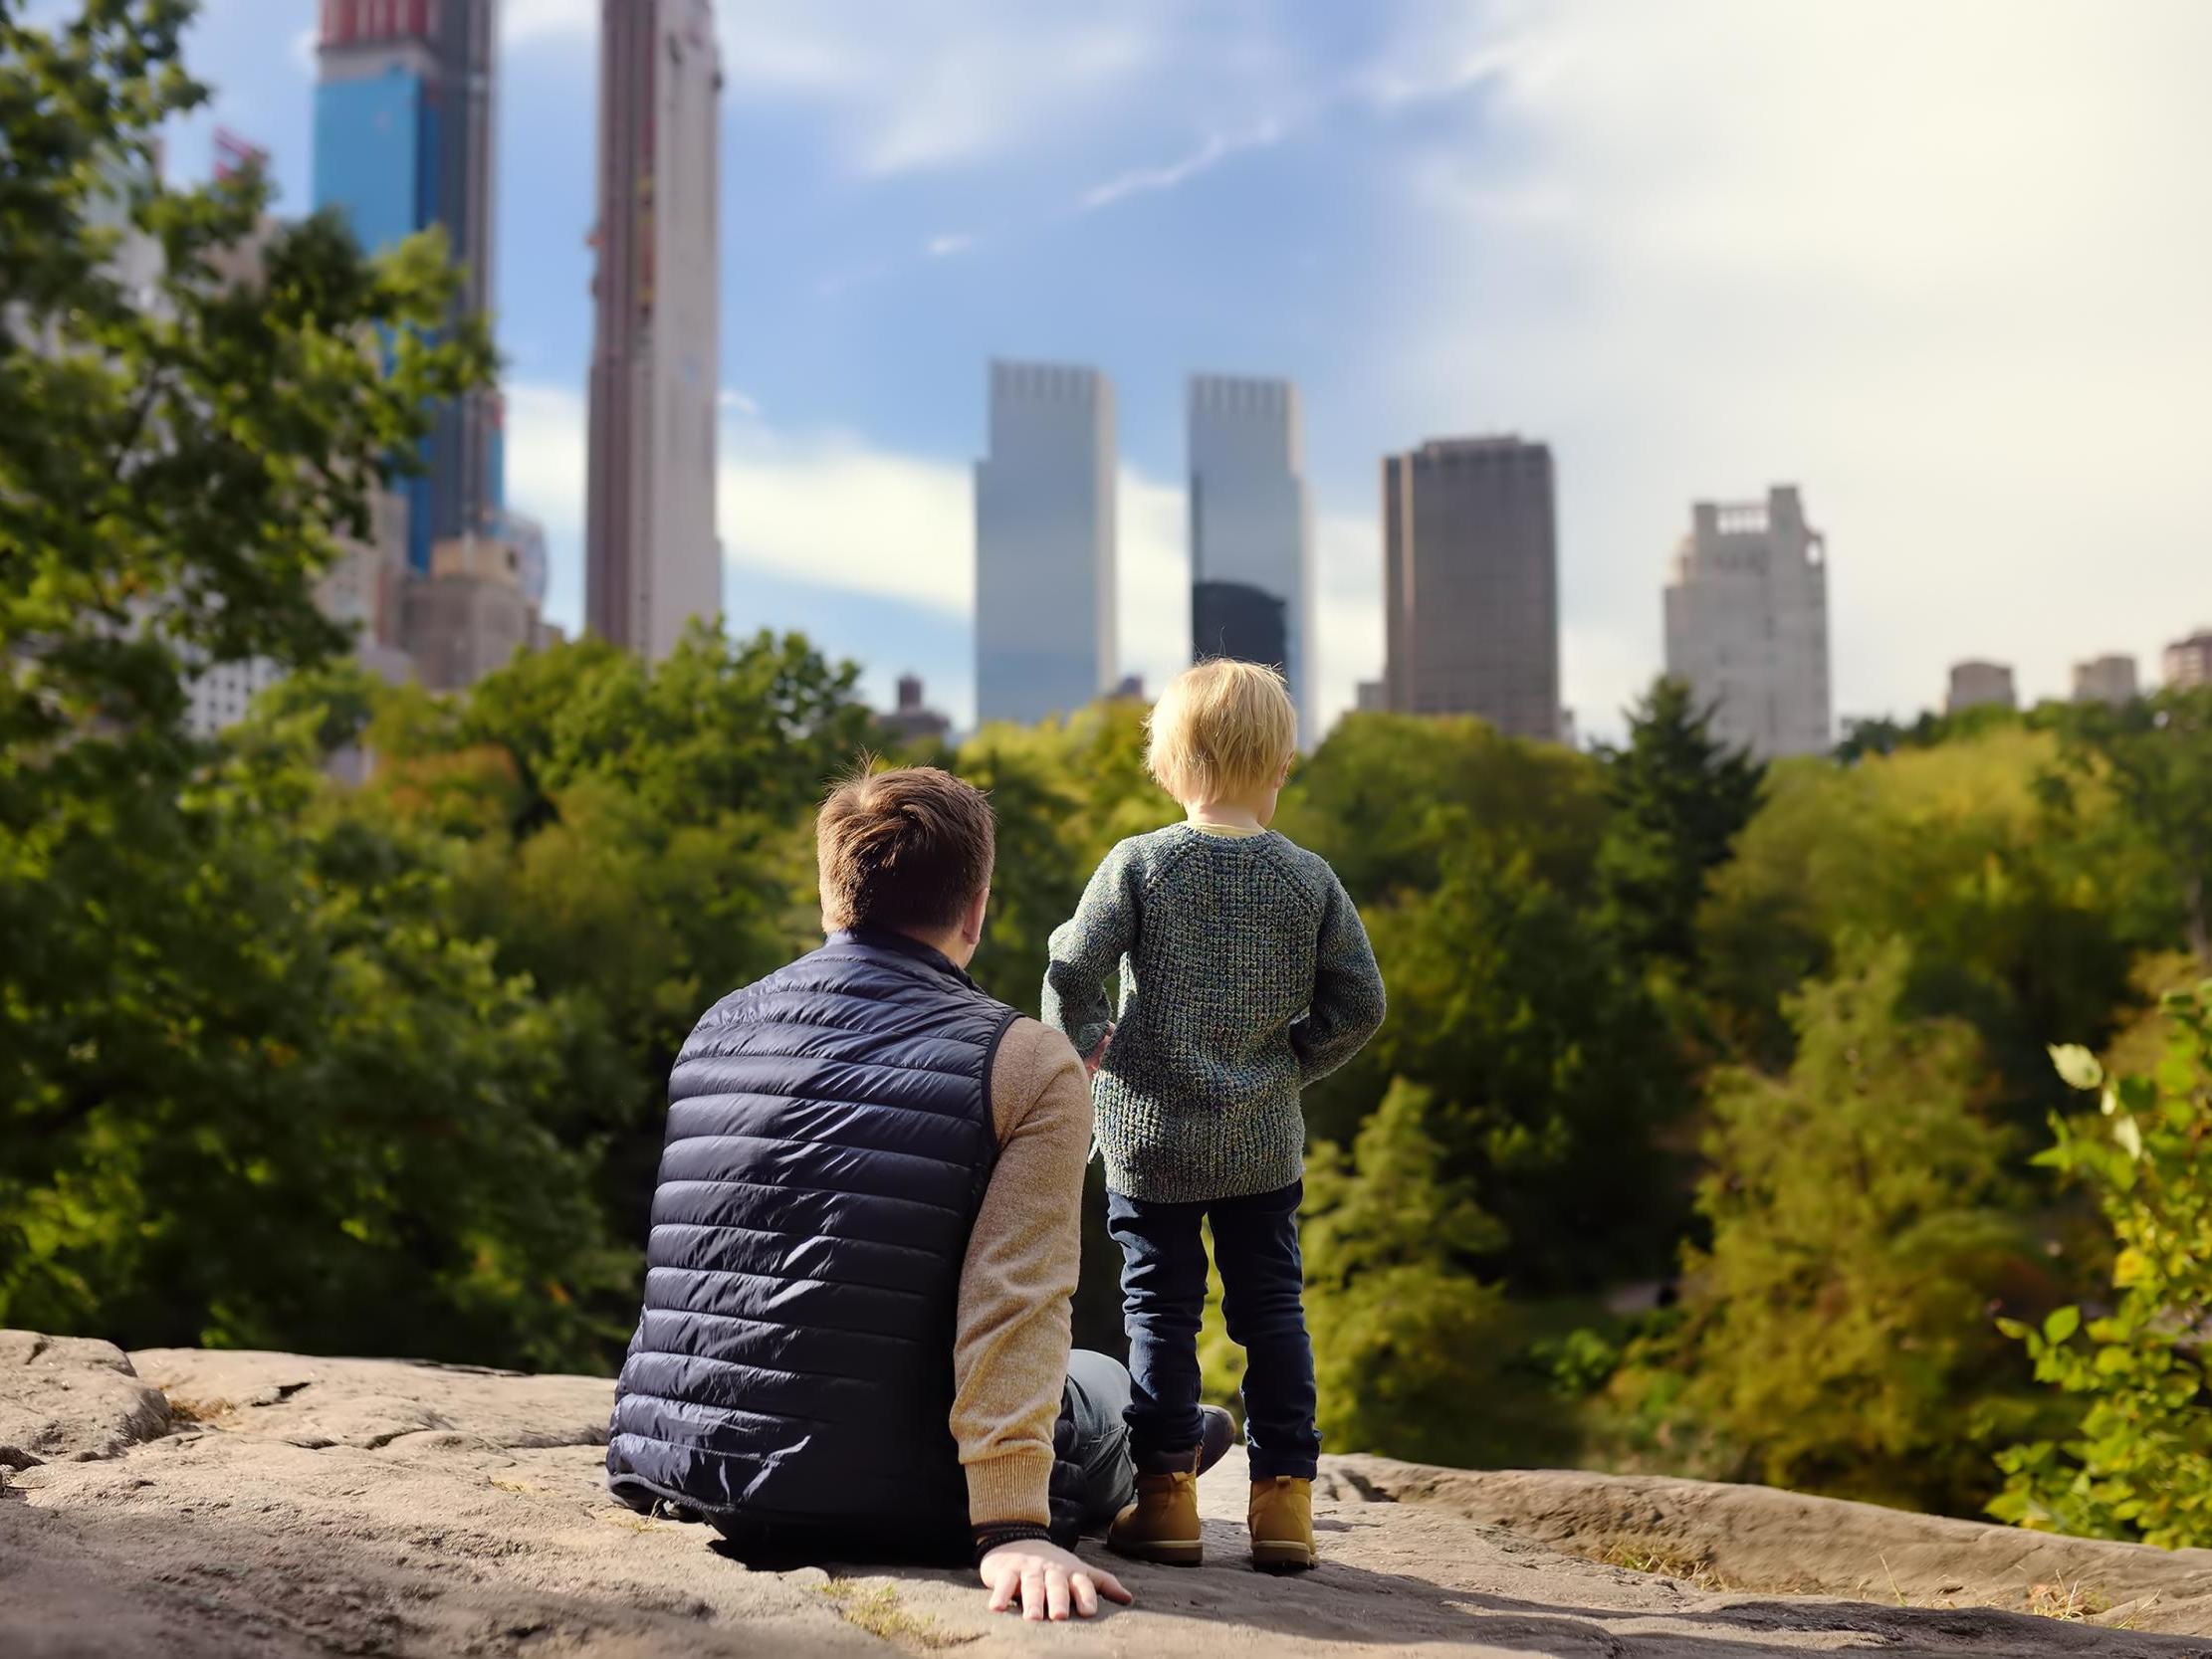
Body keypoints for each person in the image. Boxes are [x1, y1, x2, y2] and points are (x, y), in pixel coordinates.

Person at [603, 765, 1229, 1621]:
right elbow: (1015, 1298)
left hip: (688, 1467)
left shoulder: (719, 1023)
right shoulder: (1025, 1057)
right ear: (976, 907)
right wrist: (1012, 1524)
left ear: (832, 895)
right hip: (903, 1493)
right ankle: (1163, 1446)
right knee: (1104, 1381)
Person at [1042, 660, 1387, 1572]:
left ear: (1167, 764)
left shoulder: (1140, 862)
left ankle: (1167, 1502)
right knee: (1273, 1311)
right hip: (1261, 1143)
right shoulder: (1309, 878)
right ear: (1280, 767)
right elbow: (1362, 1004)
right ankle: (1285, 1510)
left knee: (1159, 1309)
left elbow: (1074, 970)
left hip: (1149, 1136)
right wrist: (1288, 1066)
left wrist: (1082, 1054)